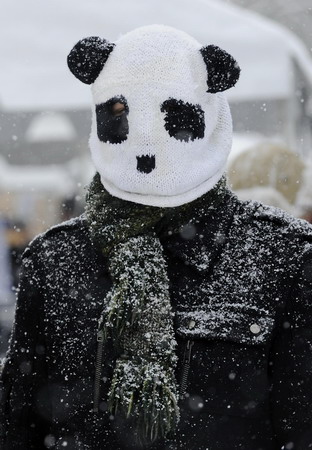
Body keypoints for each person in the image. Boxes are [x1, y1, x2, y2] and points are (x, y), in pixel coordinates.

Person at [1, 24, 312, 450]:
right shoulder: (55, 260)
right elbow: (18, 422)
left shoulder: (285, 258)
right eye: (117, 111)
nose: (145, 139)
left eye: (173, 116)